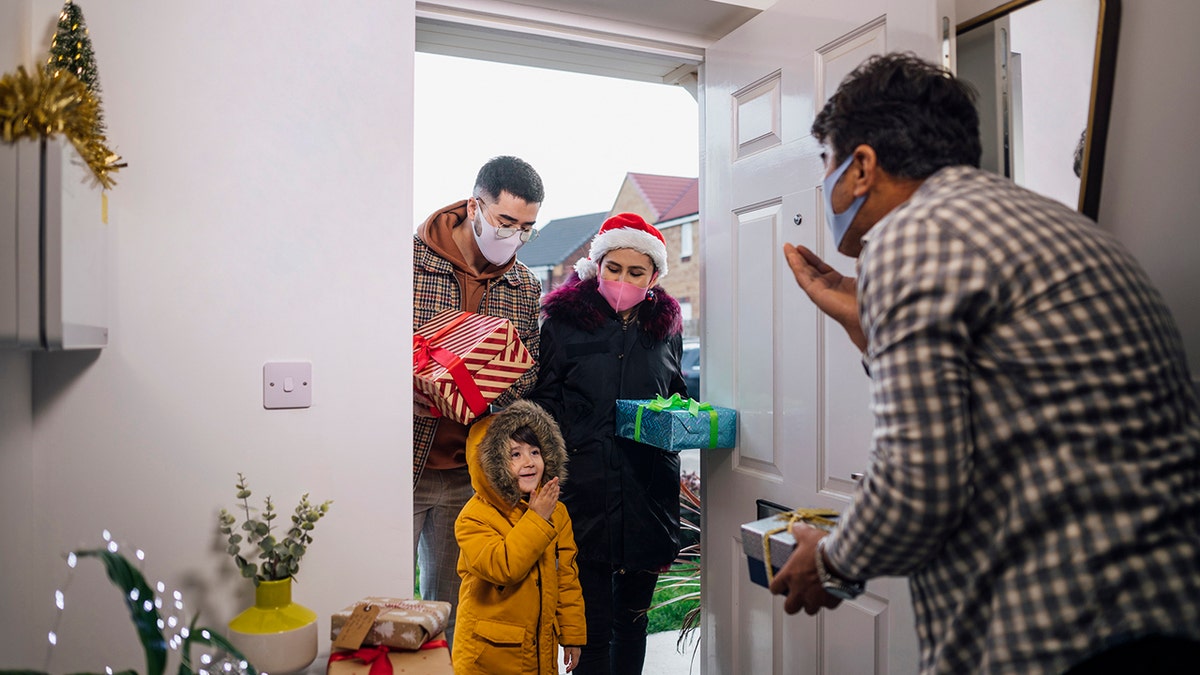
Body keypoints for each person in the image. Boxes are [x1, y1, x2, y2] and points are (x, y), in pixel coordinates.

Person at [771, 52, 1200, 674]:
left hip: (1063, 636)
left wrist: (829, 562)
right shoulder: (1051, 224)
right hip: (1161, 615)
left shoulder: (912, 234)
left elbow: (918, 491)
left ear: (861, 166)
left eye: (826, 164)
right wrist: (866, 328)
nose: (826, 185)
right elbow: (1001, 408)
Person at [526, 213, 688, 674]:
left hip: (645, 493)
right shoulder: (563, 322)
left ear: (653, 277)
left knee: (631, 624)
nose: (622, 279)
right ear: (597, 265)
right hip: (585, 493)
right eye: (613, 268)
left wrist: (686, 421)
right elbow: (545, 402)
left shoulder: (665, 328)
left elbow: (674, 395)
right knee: (589, 630)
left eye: (636, 272)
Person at [412, 155, 544, 647]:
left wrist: (477, 394)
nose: (514, 236)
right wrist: (414, 393)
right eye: (506, 221)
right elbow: (367, 351)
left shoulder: (523, 284)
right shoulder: (406, 262)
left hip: (470, 473)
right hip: (402, 465)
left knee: (448, 610)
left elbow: (528, 370)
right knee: (380, 597)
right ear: (474, 206)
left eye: (527, 227)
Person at [453, 400, 586, 674]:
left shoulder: (556, 512)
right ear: (490, 464)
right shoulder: (473, 517)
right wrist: (537, 519)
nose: (529, 462)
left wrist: (572, 634)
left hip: (539, 651)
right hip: (486, 657)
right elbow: (504, 567)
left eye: (535, 452)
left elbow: (566, 577)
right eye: (515, 455)